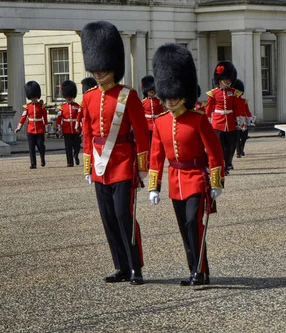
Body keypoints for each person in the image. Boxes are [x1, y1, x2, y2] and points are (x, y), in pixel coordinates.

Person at [148, 43, 225, 286]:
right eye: (166, 97)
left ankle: (200, 271)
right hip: (175, 181)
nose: (169, 102)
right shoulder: (160, 123)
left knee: (193, 222)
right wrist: (153, 186)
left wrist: (216, 182)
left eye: (173, 97)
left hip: (196, 179)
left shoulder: (198, 120)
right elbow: (156, 156)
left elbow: (215, 152)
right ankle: (195, 269)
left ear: (184, 94)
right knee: (184, 227)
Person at [80, 21, 150, 285]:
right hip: (100, 163)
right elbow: (87, 133)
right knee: (108, 218)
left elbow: (142, 135)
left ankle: (136, 267)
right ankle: (120, 266)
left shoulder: (127, 96)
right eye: (95, 69)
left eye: (103, 68)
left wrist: (142, 167)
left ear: (112, 68)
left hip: (121, 161)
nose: (99, 73)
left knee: (123, 214)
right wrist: (88, 166)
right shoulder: (88, 97)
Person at [205, 61, 244, 175]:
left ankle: (227, 164)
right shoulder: (213, 93)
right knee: (219, 147)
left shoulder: (234, 93)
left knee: (230, 146)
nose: (228, 81)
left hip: (231, 123)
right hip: (217, 123)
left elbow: (238, 109)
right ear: (220, 79)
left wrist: (240, 120)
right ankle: (220, 166)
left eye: (229, 79)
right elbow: (208, 110)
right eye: (226, 79)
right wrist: (207, 122)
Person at [15, 81, 48, 169]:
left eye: (35, 97)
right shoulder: (27, 106)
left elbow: (45, 117)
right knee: (31, 148)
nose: (33, 99)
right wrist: (19, 127)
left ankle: (42, 158)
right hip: (30, 129)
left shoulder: (41, 106)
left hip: (40, 128)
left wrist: (46, 127)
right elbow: (23, 117)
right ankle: (33, 164)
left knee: (41, 145)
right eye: (32, 97)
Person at [55, 80, 82, 167]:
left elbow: (80, 117)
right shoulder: (62, 107)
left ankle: (76, 155)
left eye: (70, 96)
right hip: (66, 129)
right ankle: (69, 162)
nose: (69, 98)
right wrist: (58, 129)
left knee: (77, 146)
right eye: (68, 96)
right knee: (68, 147)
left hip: (76, 129)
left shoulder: (77, 106)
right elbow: (59, 119)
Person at [232, 79, 254, 158]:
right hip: (236, 120)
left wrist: (250, 119)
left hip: (243, 120)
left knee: (244, 137)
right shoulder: (232, 101)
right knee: (237, 137)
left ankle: (241, 149)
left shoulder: (244, 101)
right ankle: (238, 152)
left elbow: (247, 111)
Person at [141, 75, 164, 140]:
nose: (152, 91)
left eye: (153, 89)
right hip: (147, 125)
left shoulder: (158, 101)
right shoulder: (143, 102)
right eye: (150, 89)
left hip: (157, 123)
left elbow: (162, 113)